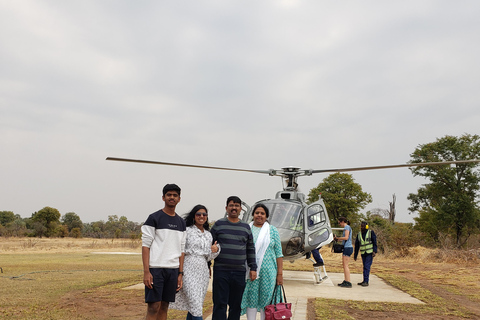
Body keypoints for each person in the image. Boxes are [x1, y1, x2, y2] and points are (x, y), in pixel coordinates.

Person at [141, 183, 186, 320]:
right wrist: (147, 272)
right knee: (154, 306)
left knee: (165, 306)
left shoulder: (181, 222)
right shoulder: (154, 218)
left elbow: (182, 250)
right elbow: (145, 246)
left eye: (175, 195)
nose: (171, 197)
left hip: (172, 270)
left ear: (179, 199)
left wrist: (180, 274)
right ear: (163, 197)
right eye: (169, 195)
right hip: (156, 269)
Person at [210, 196, 257, 320]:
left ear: (241, 209)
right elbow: (209, 246)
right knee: (220, 304)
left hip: (239, 272)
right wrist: (208, 264)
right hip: (221, 271)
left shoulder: (246, 227)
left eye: (237, 206)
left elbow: (250, 249)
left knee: (235, 306)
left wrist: (253, 267)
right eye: (231, 205)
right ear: (226, 208)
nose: (234, 208)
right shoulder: (218, 225)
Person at [170, 205, 220, 320]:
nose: (201, 216)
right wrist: (180, 272)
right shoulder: (186, 231)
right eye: (198, 214)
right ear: (194, 216)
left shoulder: (208, 234)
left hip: (202, 271)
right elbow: (179, 250)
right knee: (196, 305)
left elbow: (208, 256)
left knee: (195, 305)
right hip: (188, 268)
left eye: (204, 214)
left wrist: (216, 249)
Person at [241, 204, 284, 320]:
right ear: (253, 215)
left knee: (266, 300)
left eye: (262, 213)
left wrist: (280, 274)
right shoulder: (246, 229)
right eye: (257, 213)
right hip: (251, 272)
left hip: (269, 273)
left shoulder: (272, 230)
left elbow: (279, 254)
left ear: (267, 216)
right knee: (252, 298)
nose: (259, 215)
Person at [354, 221, 377, 287]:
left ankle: (366, 281)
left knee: (367, 266)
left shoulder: (370, 232)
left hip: (369, 253)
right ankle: (364, 280)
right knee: (365, 267)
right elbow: (357, 245)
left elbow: (374, 242)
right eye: (361, 226)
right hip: (363, 253)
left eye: (363, 226)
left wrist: (374, 251)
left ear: (366, 226)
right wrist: (355, 255)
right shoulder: (359, 234)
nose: (362, 227)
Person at [334, 216, 353, 288]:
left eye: (339, 223)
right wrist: (337, 240)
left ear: (342, 222)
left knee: (345, 265)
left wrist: (338, 238)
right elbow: (345, 239)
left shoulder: (346, 227)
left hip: (347, 247)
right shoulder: (347, 227)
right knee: (345, 265)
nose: (339, 225)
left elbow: (346, 238)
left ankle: (348, 281)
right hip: (348, 247)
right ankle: (346, 280)